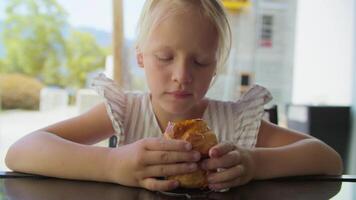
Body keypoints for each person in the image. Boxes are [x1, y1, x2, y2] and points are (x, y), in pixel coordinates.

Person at [5, 0, 342, 192]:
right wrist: (112, 164)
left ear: (216, 67)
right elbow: (22, 151)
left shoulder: (237, 122)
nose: (182, 75)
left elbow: (328, 160)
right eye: (165, 58)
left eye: (200, 61)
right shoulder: (125, 111)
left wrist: (253, 163)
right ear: (140, 56)